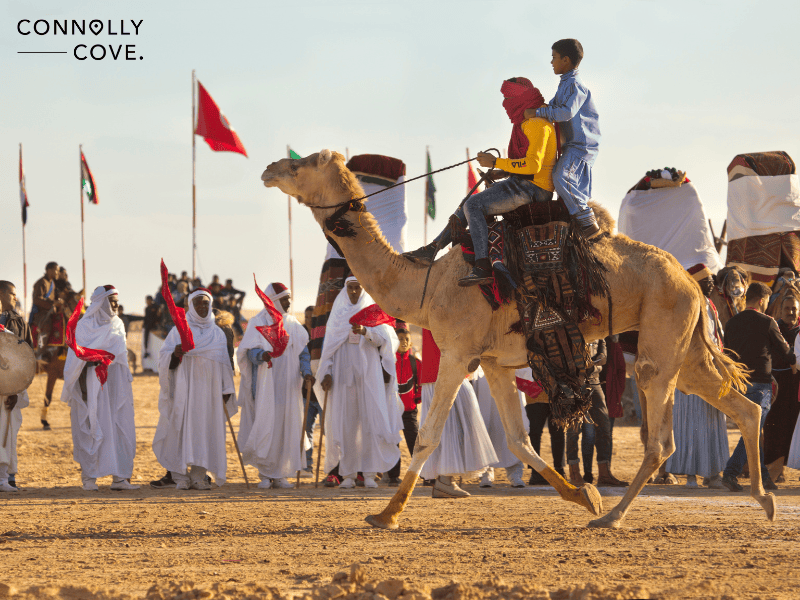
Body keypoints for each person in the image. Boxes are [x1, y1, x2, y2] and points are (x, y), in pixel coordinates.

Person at [405, 77, 556, 286]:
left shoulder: (536, 125)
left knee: (473, 205)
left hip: (533, 189)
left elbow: (533, 166)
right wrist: (501, 172)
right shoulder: (530, 123)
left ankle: (482, 264)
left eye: (508, 98)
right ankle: (433, 248)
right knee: (468, 202)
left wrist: (495, 161)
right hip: (523, 183)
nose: (505, 105)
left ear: (520, 99)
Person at [315, 277, 402, 489]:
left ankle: (370, 474)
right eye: (351, 288)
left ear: (363, 290)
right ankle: (348, 475)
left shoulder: (372, 313)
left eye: (357, 288)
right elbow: (328, 350)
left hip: (368, 377)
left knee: (370, 424)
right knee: (347, 426)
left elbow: (386, 341)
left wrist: (366, 331)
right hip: (343, 379)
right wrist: (325, 372)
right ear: (346, 290)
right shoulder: (337, 316)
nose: (354, 292)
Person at [152, 289, 237, 490]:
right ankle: (179, 476)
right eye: (198, 303)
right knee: (179, 429)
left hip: (209, 393)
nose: (202, 307)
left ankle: (199, 476)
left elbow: (225, 364)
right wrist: (175, 353)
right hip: (184, 391)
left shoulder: (217, 333)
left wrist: (226, 390)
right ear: (190, 306)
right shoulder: (178, 330)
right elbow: (163, 359)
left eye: (206, 303)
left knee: (205, 431)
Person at [60, 286, 138, 491]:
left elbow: (121, 359)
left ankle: (120, 478)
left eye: (116, 301)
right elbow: (75, 361)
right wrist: (84, 387)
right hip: (91, 384)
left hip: (116, 387)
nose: (116, 305)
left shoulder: (118, 324)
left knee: (118, 427)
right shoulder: (85, 326)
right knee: (92, 427)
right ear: (101, 302)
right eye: (112, 301)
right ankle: (89, 477)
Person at [720, 282, 795, 492]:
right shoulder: (768, 322)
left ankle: (763, 478)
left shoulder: (732, 323)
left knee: (752, 431)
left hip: (738, 384)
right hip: (760, 385)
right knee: (752, 432)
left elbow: (728, 355)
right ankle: (730, 472)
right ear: (762, 300)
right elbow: (785, 352)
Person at [660, 265, 729, 488]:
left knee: (712, 422)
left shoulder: (711, 306)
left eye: (711, 280)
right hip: (689, 372)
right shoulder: (684, 305)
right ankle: (689, 474)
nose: (711, 283)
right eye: (706, 280)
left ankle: (712, 474)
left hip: (710, 370)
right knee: (687, 423)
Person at [524, 39, 602, 237]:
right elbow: (553, 107)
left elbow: (565, 112)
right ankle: (574, 224)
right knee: (562, 182)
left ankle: (588, 224)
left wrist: (538, 113)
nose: (551, 62)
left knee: (561, 178)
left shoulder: (576, 85)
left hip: (580, 146)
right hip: (571, 146)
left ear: (565, 60)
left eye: (554, 58)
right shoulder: (565, 84)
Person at [237, 282, 311, 489]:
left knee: (285, 426)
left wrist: (306, 373)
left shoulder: (294, 325)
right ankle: (265, 474)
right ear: (274, 301)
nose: (288, 303)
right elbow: (248, 353)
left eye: (289, 299)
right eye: (284, 299)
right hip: (265, 384)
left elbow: (303, 354)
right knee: (266, 424)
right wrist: (262, 355)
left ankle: (281, 473)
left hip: (289, 386)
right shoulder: (258, 322)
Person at [417, 329, 497, 497]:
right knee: (450, 425)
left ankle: (445, 480)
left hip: (446, 368)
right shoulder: (439, 304)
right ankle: (445, 480)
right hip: (444, 370)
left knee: (453, 423)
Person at [566, 338, 628, 487]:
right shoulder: (570, 327)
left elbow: (604, 357)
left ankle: (604, 474)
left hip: (595, 381)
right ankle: (574, 473)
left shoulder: (599, 333)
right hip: (573, 381)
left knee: (605, 427)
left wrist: (598, 359)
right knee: (573, 429)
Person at [0, 281, 33, 491]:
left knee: (9, 430)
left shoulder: (19, 322)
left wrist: (15, 388)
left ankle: (7, 476)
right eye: (12, 294)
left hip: (10, 387)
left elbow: (26, 354)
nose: (15, 298)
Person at [471, 367, 527, 488]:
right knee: (485, 424)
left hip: (509, 376)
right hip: (484, 378)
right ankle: (486, 472)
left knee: (512, 425)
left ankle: (515, 472)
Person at [764, 293, 800, 481]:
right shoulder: (773, 328)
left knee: (795, 427)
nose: (791, 312)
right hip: (776, 383)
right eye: (787, 308)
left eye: (794, 308)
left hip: (797, 386)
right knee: (774, 427)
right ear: (780, 310)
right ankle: (776, 470)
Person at [387, 320, 422, 486]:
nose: (404, 342)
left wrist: (416, 400)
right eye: (400, 339)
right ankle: (393, 476)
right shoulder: (387, 362)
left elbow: (421, 383)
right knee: (393, 443)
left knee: (414, 442)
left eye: (407, 339)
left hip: (409, 411)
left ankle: (422, 474)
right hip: (392, 410)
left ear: (411, 343)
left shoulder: (416, 363)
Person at [301, 305, 321, 475]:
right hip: (304, 391)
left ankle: (333, 469)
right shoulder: (300, 336)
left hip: (322, 391)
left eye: (312, 317)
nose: (309, 320)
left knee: (329, 430)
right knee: (306, 429)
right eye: (307, 317)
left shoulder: (323, 336)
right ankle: (307, 465)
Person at [29, 261, 60, 346]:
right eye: (56, 270)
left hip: (51, 312)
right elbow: (36, 299)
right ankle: (40, 351)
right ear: (49, 270)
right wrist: (52, 304)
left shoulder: (52, 284)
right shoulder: (41, 282)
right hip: (41, 314)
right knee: (46, 326)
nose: (58, 272)